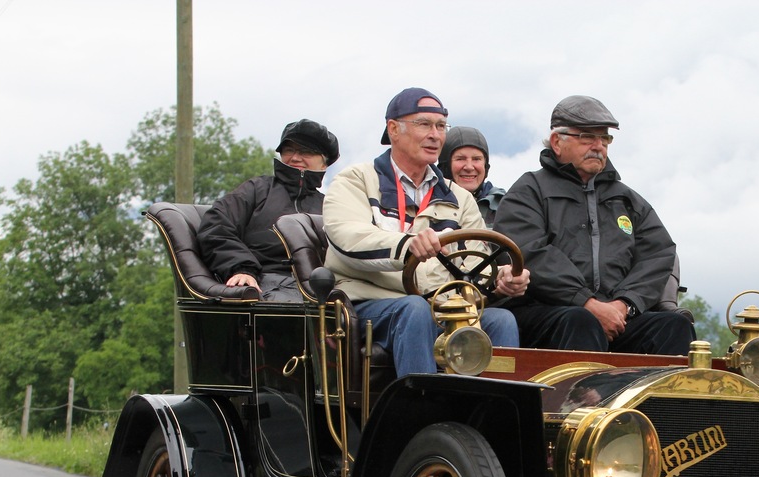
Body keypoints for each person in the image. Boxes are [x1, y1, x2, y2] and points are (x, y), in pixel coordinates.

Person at [323, 88, 527, 377]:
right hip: (370, 306)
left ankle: (495, 417)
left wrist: (501, 280)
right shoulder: (356, 180)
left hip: (441, 309)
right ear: (393, 129)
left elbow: (475, 263)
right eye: (424, 124)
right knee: (414, 309)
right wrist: (407, 246)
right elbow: (347, 237)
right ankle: (421, 413)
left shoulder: (459, 197)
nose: (435, 135)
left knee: (501, 320)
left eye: (441, 126)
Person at [494, 95, 695, 354]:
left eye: (605, 138)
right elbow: (528, 252)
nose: (598, 146)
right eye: (587, 137)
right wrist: (586, 302)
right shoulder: (529, 191)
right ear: (557, 141)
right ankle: (582, 396)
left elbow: (659, 253)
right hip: (545, 314)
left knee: (674, 326)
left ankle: (662, 397)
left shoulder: (627, 199)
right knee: (580, 320)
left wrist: (624, 305)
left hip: (618, 315)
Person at [198, 119, 339, 301]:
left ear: (324, 163)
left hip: (321, 286)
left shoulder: (330, 206)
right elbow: (216, 227)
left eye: (306, 151)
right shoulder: (256, 190)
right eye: (289, 150)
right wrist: (243, 269)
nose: (295, 157)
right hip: (265, 281)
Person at [438, 126, 505, 225]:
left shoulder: (504, 205)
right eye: (460, 159)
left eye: (476, 159)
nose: (469, 167)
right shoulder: (428, 204)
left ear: (485, 166)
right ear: (445, 167)